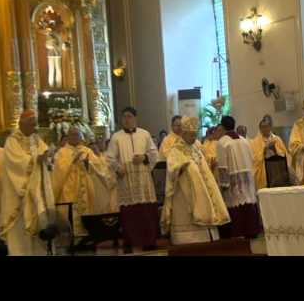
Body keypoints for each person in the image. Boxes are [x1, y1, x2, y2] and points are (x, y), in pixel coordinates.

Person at [161, 116, 230, 245]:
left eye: (195, 135)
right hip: (183, 192)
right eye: (191, 135)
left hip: (200, 188)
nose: (194, 138)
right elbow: (171, 169)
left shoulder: (195, 148)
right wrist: (181, 167)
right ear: (184, 134)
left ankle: (207, 234)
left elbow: (203, 166)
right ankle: (187, 237)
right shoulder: (175, 149)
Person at [0, 110, 56, 256]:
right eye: (31, 124)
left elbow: (45, 155)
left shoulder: (36, 139)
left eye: (35, 124)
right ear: (21, 124)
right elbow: (15, 162)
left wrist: (47, 158)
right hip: (19, 193)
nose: (34, 127)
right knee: (20, 232)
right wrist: (36, 160)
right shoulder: (12, 140)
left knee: (38, 232)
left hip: (36, 192)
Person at [105, 107, 159, 253]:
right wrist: (117, 168)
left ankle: (149, 240)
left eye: (129, 116)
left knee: (146, 211)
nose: (126, 119)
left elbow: (154, 153)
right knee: (129, 213)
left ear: (135, 118)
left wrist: (145, 157)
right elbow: (109, 157)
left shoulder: (144, 134)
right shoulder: (116, 137)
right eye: (124, 117)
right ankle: (130, 240)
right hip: (126, 178)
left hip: (143, 178)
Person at [53, 127, 116, 238]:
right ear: (68, 137)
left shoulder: (87, 151)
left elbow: (99, 167)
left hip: (86, 188)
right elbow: (59, 170)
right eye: (72, 135)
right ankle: (72, 238)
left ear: (81, 136)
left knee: (88, 211)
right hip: (69, 188)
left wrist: (88, 163)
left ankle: (88, 236)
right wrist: (72, 162)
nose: (75, 137)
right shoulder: (62, 152)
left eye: (77, 135)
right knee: (71, 213)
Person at [217, 116, 262, 239]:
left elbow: (222, 165)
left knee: (235, 204)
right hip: (247, 177)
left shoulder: (222, 142)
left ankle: (238, 232)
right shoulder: (244, 140)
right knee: (248, 201)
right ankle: (252, 230)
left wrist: (223, 184)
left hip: (232, 180)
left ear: (222, 126)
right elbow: (252, 158)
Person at [250, 118, 290, 190]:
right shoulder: (255, 142)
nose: (265, 129)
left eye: (267, 126)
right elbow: (254, 159)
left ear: (270, 127)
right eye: (263, 127)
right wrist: (265, 150)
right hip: (264, 171)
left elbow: (284, 155)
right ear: (260, 129)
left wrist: (274, 149)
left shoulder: (277, 139)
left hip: (277, 170)